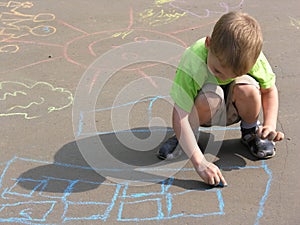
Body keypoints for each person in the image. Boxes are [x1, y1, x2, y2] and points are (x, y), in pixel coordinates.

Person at [157, 12, 284, 187]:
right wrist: (199, 162)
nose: (224, 77)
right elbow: (180, 113)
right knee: (211, 94)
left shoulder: (253, 57)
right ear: (208, 44)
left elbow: (269, 90)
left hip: (235, 107)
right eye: (217, 71)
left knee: (249, 89)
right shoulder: (192, 61)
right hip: (204, 109)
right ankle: (187, 138)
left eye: (235, 74)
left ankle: (250, 131)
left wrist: (270, 124)